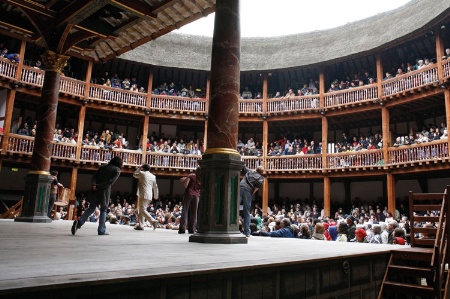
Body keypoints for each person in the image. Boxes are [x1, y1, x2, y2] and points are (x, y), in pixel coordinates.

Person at [71, 156, 122, 236]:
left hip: (95, 191)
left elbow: (94, 176)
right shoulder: (117, 170)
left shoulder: (102, 167)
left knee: (91, 208)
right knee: (103, 210)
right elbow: (110, 182)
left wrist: (94, 185)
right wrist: (99, 186)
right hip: (104, 192)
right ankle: (101, 230)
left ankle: (79, 223)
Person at [240, 165, 265, 237]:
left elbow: (243, 166)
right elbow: (256, 189)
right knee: (247, 211)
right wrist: (250, 194)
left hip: (240, 187)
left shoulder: (249, 171)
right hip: (248, 191)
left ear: (256, 169)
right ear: (262, 172)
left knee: (234, 208)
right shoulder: (261, 178)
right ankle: (247, 232)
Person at [133, 164, 159, 230]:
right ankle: (141, 225)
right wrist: (156, 196)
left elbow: (134, 174)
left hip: (143, 194)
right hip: (150, 195)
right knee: (142, 209)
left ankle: (153, 221)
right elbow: (155, 187)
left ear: (143, 168)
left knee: (142, 209)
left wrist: (139, 168)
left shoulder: (142, 173)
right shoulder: (153, 176)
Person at [178, 166, 201, 234]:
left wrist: (184, 180)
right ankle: (192, 229)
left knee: (185, 210)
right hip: (196, 195)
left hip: (189, 193)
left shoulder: (191, 175)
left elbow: (186, 185)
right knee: (194, 213)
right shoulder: (202, 178)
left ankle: (182, 228)